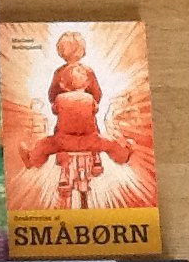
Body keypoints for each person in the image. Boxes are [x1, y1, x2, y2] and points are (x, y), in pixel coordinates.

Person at [20, 31, 132, 169]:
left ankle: (32, 160)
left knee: (44, 145)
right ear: (82, 50)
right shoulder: (88, 71)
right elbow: (97, 94)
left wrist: (60, 106)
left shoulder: (58, 73)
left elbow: (51, 95)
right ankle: (120, 155)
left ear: (61, 51)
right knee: (109, 143)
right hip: (90, 139)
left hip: (63, 140)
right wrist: (89, 104)